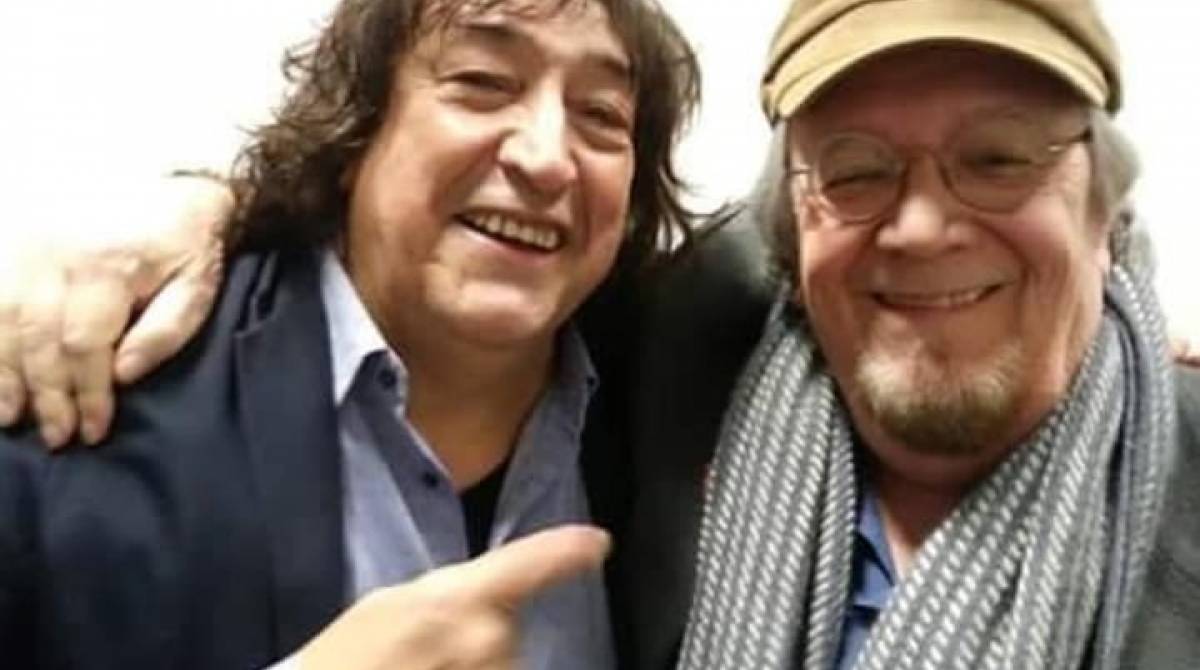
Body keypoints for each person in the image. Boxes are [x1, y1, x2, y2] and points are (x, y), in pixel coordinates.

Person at [4, 1, 1200, 670]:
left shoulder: (650, 366)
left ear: (1107, 214)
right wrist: (199, 206)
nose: (544, 154)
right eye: (481, 83)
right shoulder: (73, 428)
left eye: (1000, 159)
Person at [0, 0, 700, 668]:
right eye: (482, 82)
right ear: (353, 131)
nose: (547, 158)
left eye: (601, 115)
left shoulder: (673, 398)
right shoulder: (86, 403)